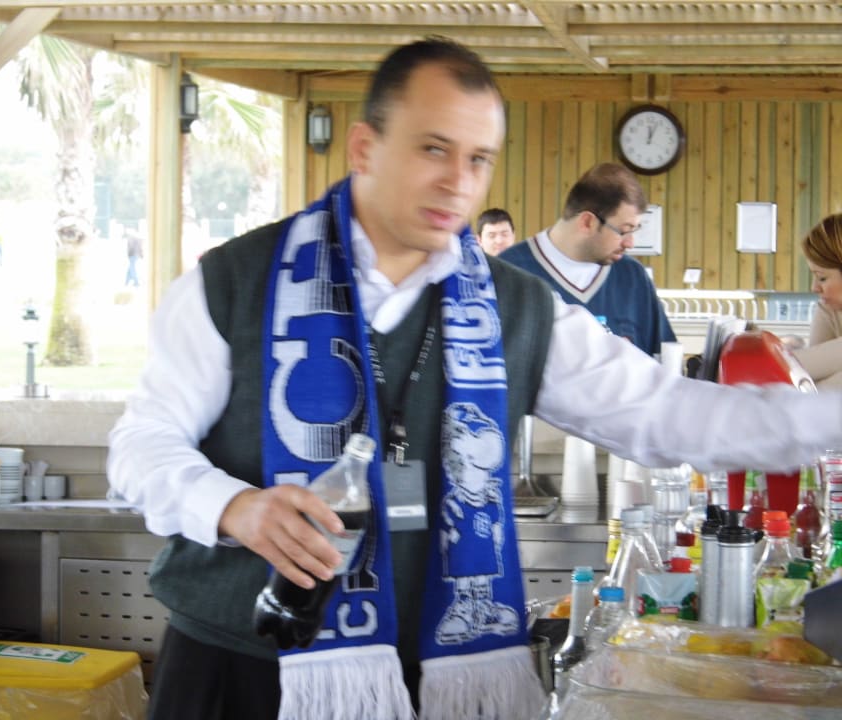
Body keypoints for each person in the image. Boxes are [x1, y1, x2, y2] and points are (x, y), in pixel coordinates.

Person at [107, 38, 842, 720]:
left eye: (479, 158)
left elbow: (666, 414)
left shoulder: (517, 307)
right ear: (365, 147)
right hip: (239, 666)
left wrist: (825, 418)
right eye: (433, 148)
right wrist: (234, 506)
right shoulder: (236, 281)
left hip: (437, 674)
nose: (458, 182)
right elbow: (142, 446)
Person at [498, 162, 676, 356]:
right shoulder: (508, 273)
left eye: (634, 231)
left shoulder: (633, 277)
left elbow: (664, 359)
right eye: (623, 231)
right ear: (587, 222)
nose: (630, 243)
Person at [790, 213, 842, 389]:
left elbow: (796, 370)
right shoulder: (829, 308)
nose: (814, 288)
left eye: (822, 278)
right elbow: (808, 375)